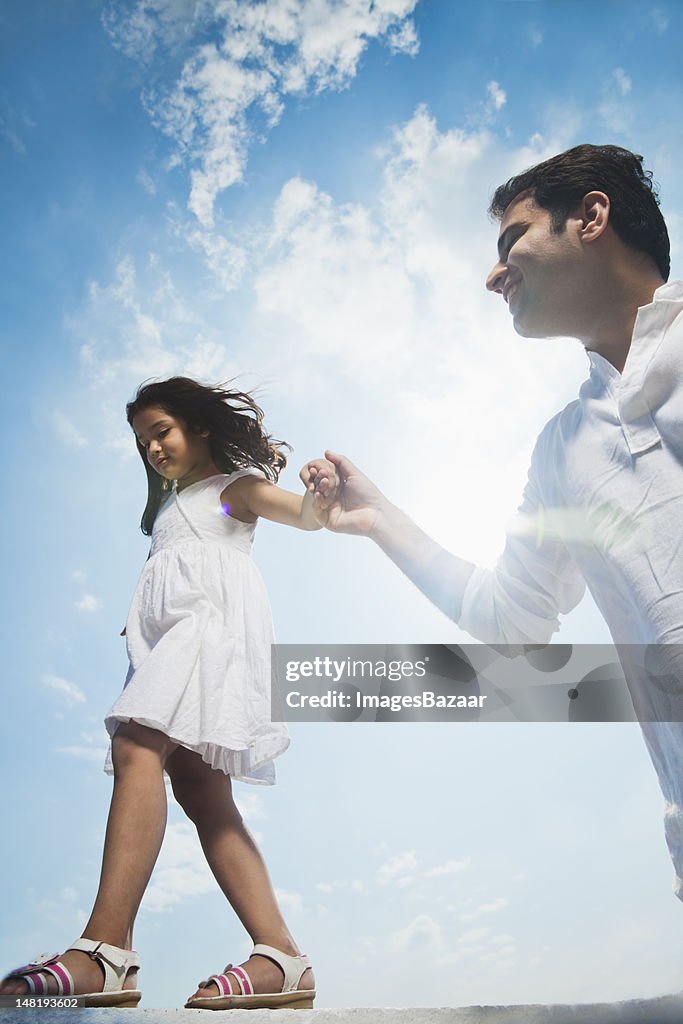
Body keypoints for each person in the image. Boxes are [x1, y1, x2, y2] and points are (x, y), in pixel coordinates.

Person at [303, 144, 683, 902]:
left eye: (512, 238)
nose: (492, 273)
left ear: (591, 217)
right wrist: (380, 521)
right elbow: (513, 620)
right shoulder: (561, 453)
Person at [1, 376, 338, 1009]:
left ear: (200, 426)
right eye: (142, 441)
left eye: (161, 431)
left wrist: (318, 498)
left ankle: (104, 952)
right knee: (202, 790)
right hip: (172, 640)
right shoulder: (166, 511)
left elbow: (301, 516)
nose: (153, 448)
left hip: (211, 632)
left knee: (135, 745)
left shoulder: (228, 492)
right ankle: (284, 959)